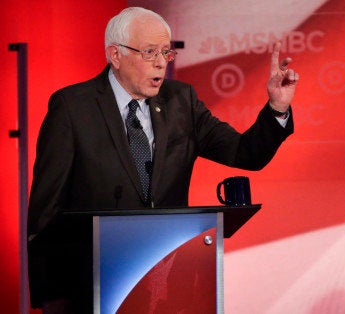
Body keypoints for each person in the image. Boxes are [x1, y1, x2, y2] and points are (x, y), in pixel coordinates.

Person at [27, 6, 298, 313]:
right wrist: (51, 297)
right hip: (91, 284)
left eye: (166, 52)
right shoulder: (73, 107)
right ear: (115, 55)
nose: (160, 63)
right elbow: (45, 210)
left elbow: (244, 153)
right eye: (149, 52)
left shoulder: (181, 101)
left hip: (166, 280)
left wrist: (277, 109)